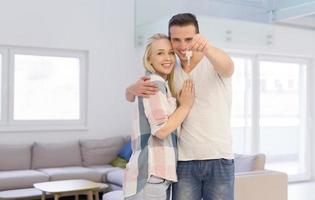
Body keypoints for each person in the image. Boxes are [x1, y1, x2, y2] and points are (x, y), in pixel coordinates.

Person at [126, 13, 235, 200]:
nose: (183, 46)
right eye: (176, 40)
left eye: (189, 39)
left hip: (219, 157)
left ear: (198, 37)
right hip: (183, 161)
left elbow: (229, 68)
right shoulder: (170, 71)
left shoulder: (213, 61)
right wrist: (130, 89)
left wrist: (207, 47)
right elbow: (148, 94)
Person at [123, 33, 195, 200]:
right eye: (160, 53)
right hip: (151, 175)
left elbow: (130, 97)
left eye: (171, 53)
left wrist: (129, 90)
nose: (167, 58)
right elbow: (161, 131)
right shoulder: (154, 84)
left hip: (154, 176)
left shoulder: (161, 84)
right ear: (149, 58)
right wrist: (185, 105)